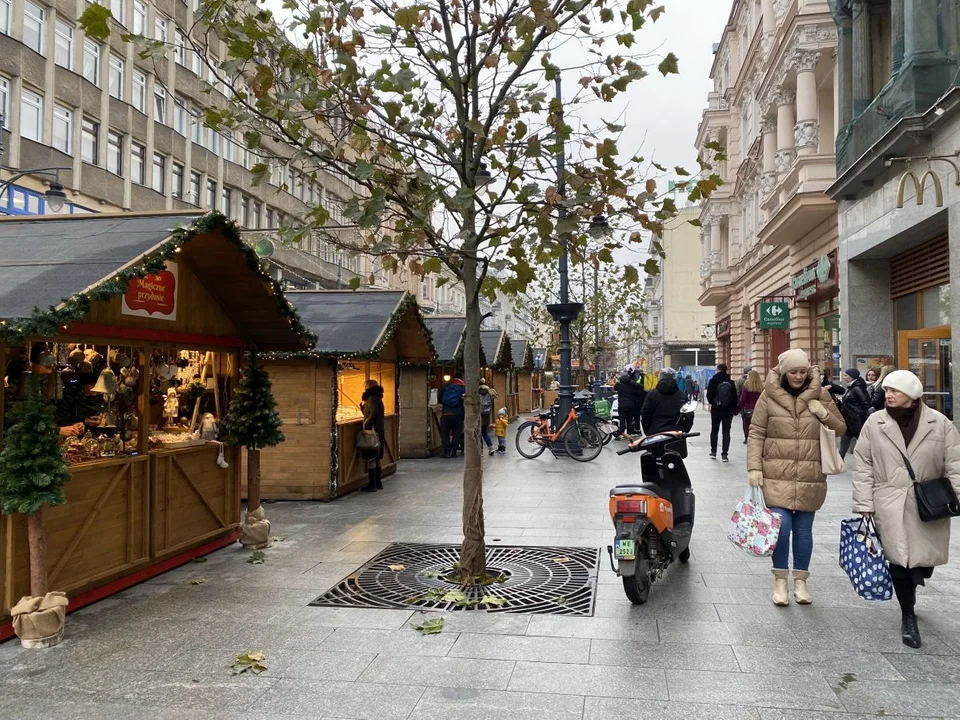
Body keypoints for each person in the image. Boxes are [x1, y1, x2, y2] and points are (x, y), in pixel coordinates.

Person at [852, 370, 960, 648]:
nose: (888, 395)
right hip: (888, 502)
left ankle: (915, 584)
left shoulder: (940, 424)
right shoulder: (875, 423)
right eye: (887, 390)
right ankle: (908, 616)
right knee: (899, 564)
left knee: (922, 564)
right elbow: (863, 465)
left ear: (912, 395)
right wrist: (864, 504)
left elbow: (955, 464)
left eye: (895, 391)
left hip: (928, 503)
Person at [747, 349, 846, 606]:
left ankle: (801, 581)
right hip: (775, 472)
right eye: (793, 372)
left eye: (803, 371)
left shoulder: (821, 394)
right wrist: (754, 468)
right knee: (782, 528)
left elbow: (842, 428)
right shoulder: (768, 397)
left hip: (809, 474)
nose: (799, 376)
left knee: (803, 531)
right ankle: (780, 580)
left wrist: (823, 413)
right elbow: (756, 432)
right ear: (783, 372)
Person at [640, 367, 688, 435]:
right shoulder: (682, 396)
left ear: (660, 377)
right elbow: (689, 415)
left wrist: (648, 431)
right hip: (676, 433)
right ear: (674, 378)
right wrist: (684, 430)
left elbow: (645, 413)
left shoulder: (652, 394)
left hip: (655, 432)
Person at [706, 363, 738, 462]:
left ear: (718, 370)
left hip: (716, 409)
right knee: (726, 431)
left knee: (714, 430)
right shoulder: (731, 382)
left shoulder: (713, 381)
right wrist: (732, 408)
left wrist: (714, 403)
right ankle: (724, 454)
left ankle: (713, 451)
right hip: (728, 411)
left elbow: (709, 395)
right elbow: (735, 397)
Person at [360, 379, 386, 492]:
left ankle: (372, 484)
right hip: (379, 430)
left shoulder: (371, 398)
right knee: (376, 457)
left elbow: (374, 413)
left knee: (371, 456)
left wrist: (366, 422)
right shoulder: (378, 398)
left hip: (373, 431)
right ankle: (378, 482)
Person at [839, 368, 871, 459]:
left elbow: (866, 403)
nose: (844, 377)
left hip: (857, 421)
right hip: (849, 420)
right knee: (844, 442)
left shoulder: (857, 388)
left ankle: (867, 460)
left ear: (852, 377)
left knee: (863, 444)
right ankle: (839, 462)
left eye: (846, 375)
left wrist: (859, 413)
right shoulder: (851, 387)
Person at [439, 373, 466, 458]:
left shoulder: (447, 386)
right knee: (457, 433)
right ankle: (454, 452)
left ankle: (446, 452)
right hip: (458, 414)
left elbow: (440, 397)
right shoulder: (463, 388)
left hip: (446, 413)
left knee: (445, 434)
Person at [735, 369, 763, 444]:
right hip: (759, 410)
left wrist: (737, 410)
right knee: (757, 425)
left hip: (748, 410)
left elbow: (742, 400)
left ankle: (748, 438)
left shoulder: (747, 386)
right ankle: (757, 438)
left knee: (747, 425)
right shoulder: (761, 387)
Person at [614, 365, 643, 438]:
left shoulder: (619, 384)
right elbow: (641, 386)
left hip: (622, 405)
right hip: (631, 405)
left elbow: (615, 388)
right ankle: (629, 434)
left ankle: (622, 434)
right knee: (629, 420)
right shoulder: (632, 383)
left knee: (622, 420)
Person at [478, 379, 498, 456]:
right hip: (486, 414)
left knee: (479, 433)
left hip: (478, 414)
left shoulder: (476, 392)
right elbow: (495, 397)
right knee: (484, 432)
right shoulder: (489, 391)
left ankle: (481, 451)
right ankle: (491, 447)